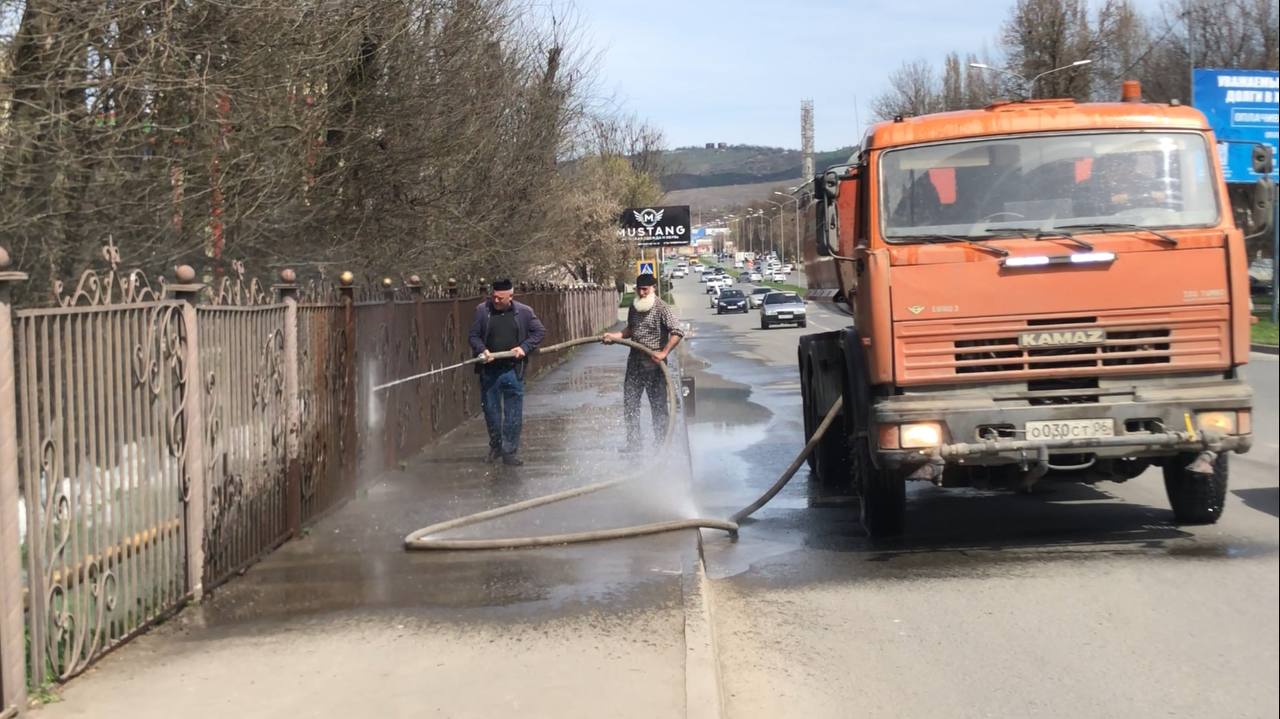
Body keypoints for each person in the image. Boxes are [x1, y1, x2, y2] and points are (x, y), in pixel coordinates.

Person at [602, 273, 684, 451]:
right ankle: (634, 444)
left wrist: (663, 352)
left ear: (653, 288)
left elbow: (677, 332)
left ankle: (661, 446)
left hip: (655, 364)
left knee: (658, 407)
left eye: (645, 289)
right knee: (630, 404)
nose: (642, 292)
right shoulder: (634, 306)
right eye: (639, 289)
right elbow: (630, 330)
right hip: (635, 362)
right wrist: (613, 337)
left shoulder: (662, 308)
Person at [468, 279, 546, 466]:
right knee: (491, 412)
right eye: (493, 296)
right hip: (490, 370)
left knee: (513, 414)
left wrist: (524, 348)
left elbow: (539, 332)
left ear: (510, 296)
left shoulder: (524, 312)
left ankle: (509, 452)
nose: (496, 300)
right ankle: (496, 446)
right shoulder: (482, 311)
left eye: (500, 298)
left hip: (512, 369)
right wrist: (482, 350)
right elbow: (473, 335)